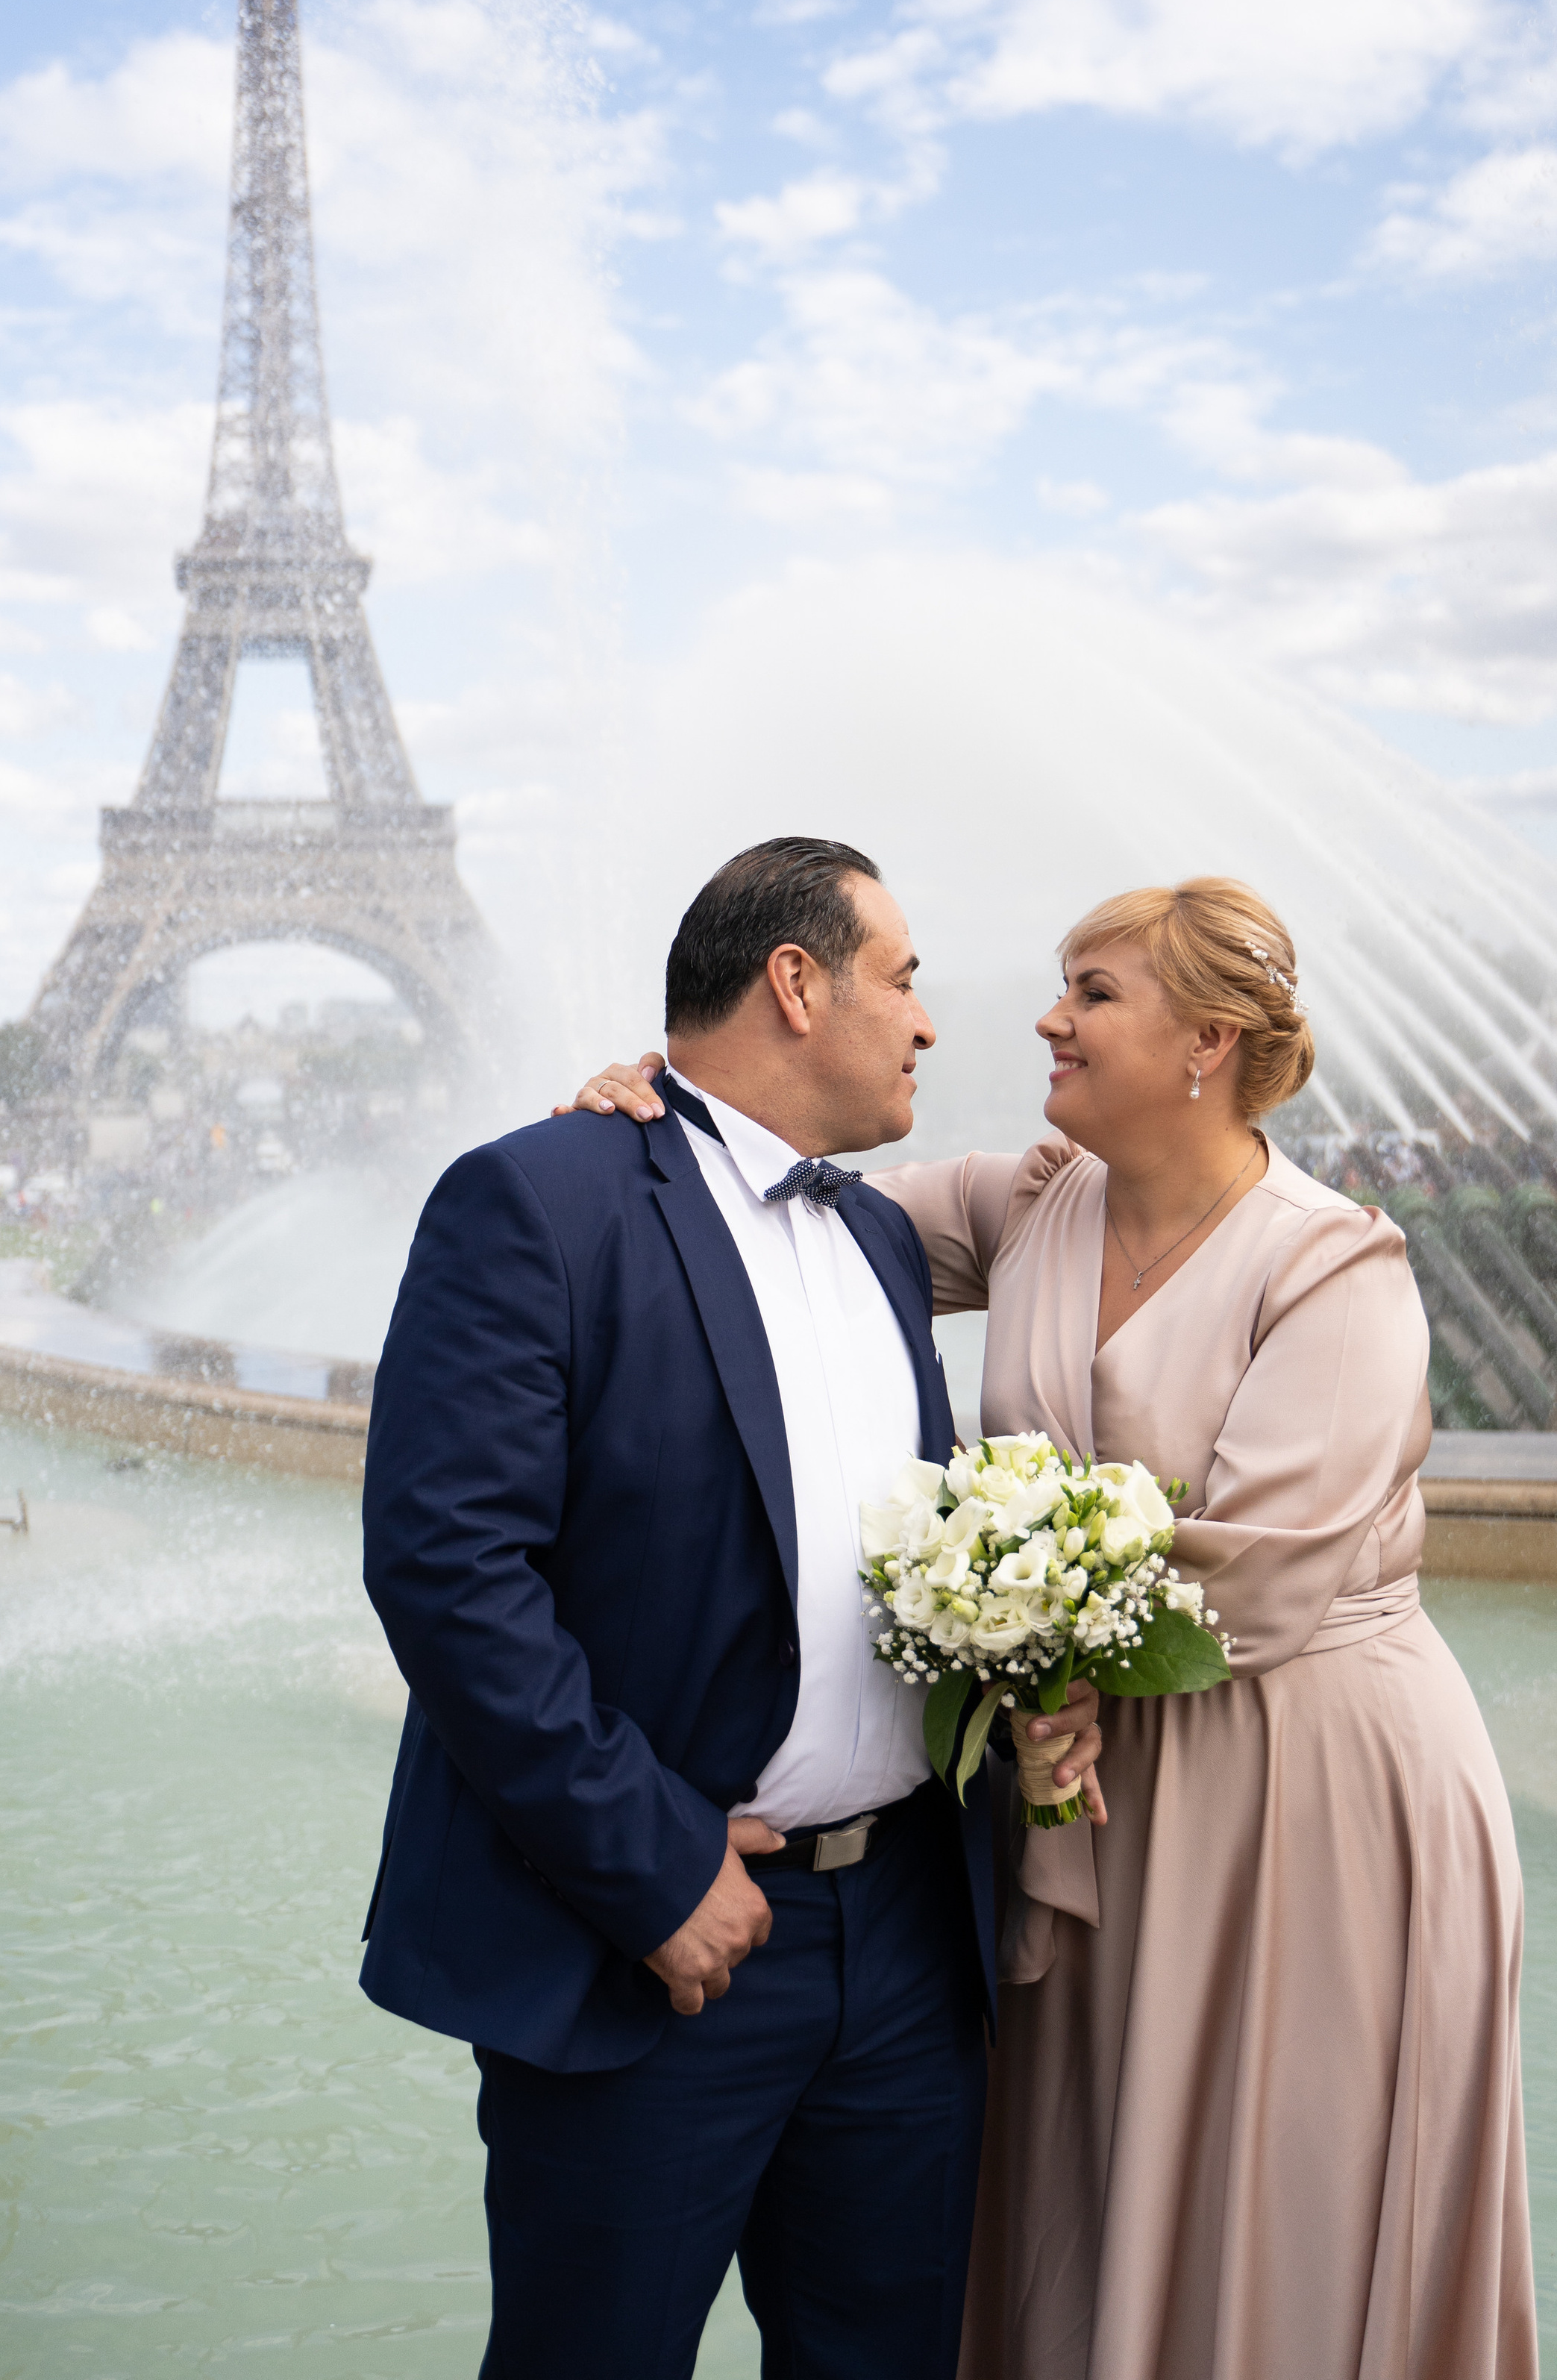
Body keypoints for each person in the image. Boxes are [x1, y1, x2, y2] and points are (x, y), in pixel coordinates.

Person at [570, 874, 1537, 2380]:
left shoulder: (1333, 1265)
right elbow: (760, 1208)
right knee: (1092, 2186)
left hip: (1301, 1792)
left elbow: (1259, 1572)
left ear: (1208, 1041)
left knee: (1278, 2189)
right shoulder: (1028, 1202)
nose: (1045, 1018)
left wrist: (1014, 1639)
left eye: (1091, 993)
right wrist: (662, 1105)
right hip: (1082, 1777)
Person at [359, 836, 1103, 2380]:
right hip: (657, 1943)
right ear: (795, 984)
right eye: (901, 979)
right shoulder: (537, 1198)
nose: (927, 1021)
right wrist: (652, 1870)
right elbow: (447, 1568)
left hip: (906, 1945)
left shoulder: (883, 1236)